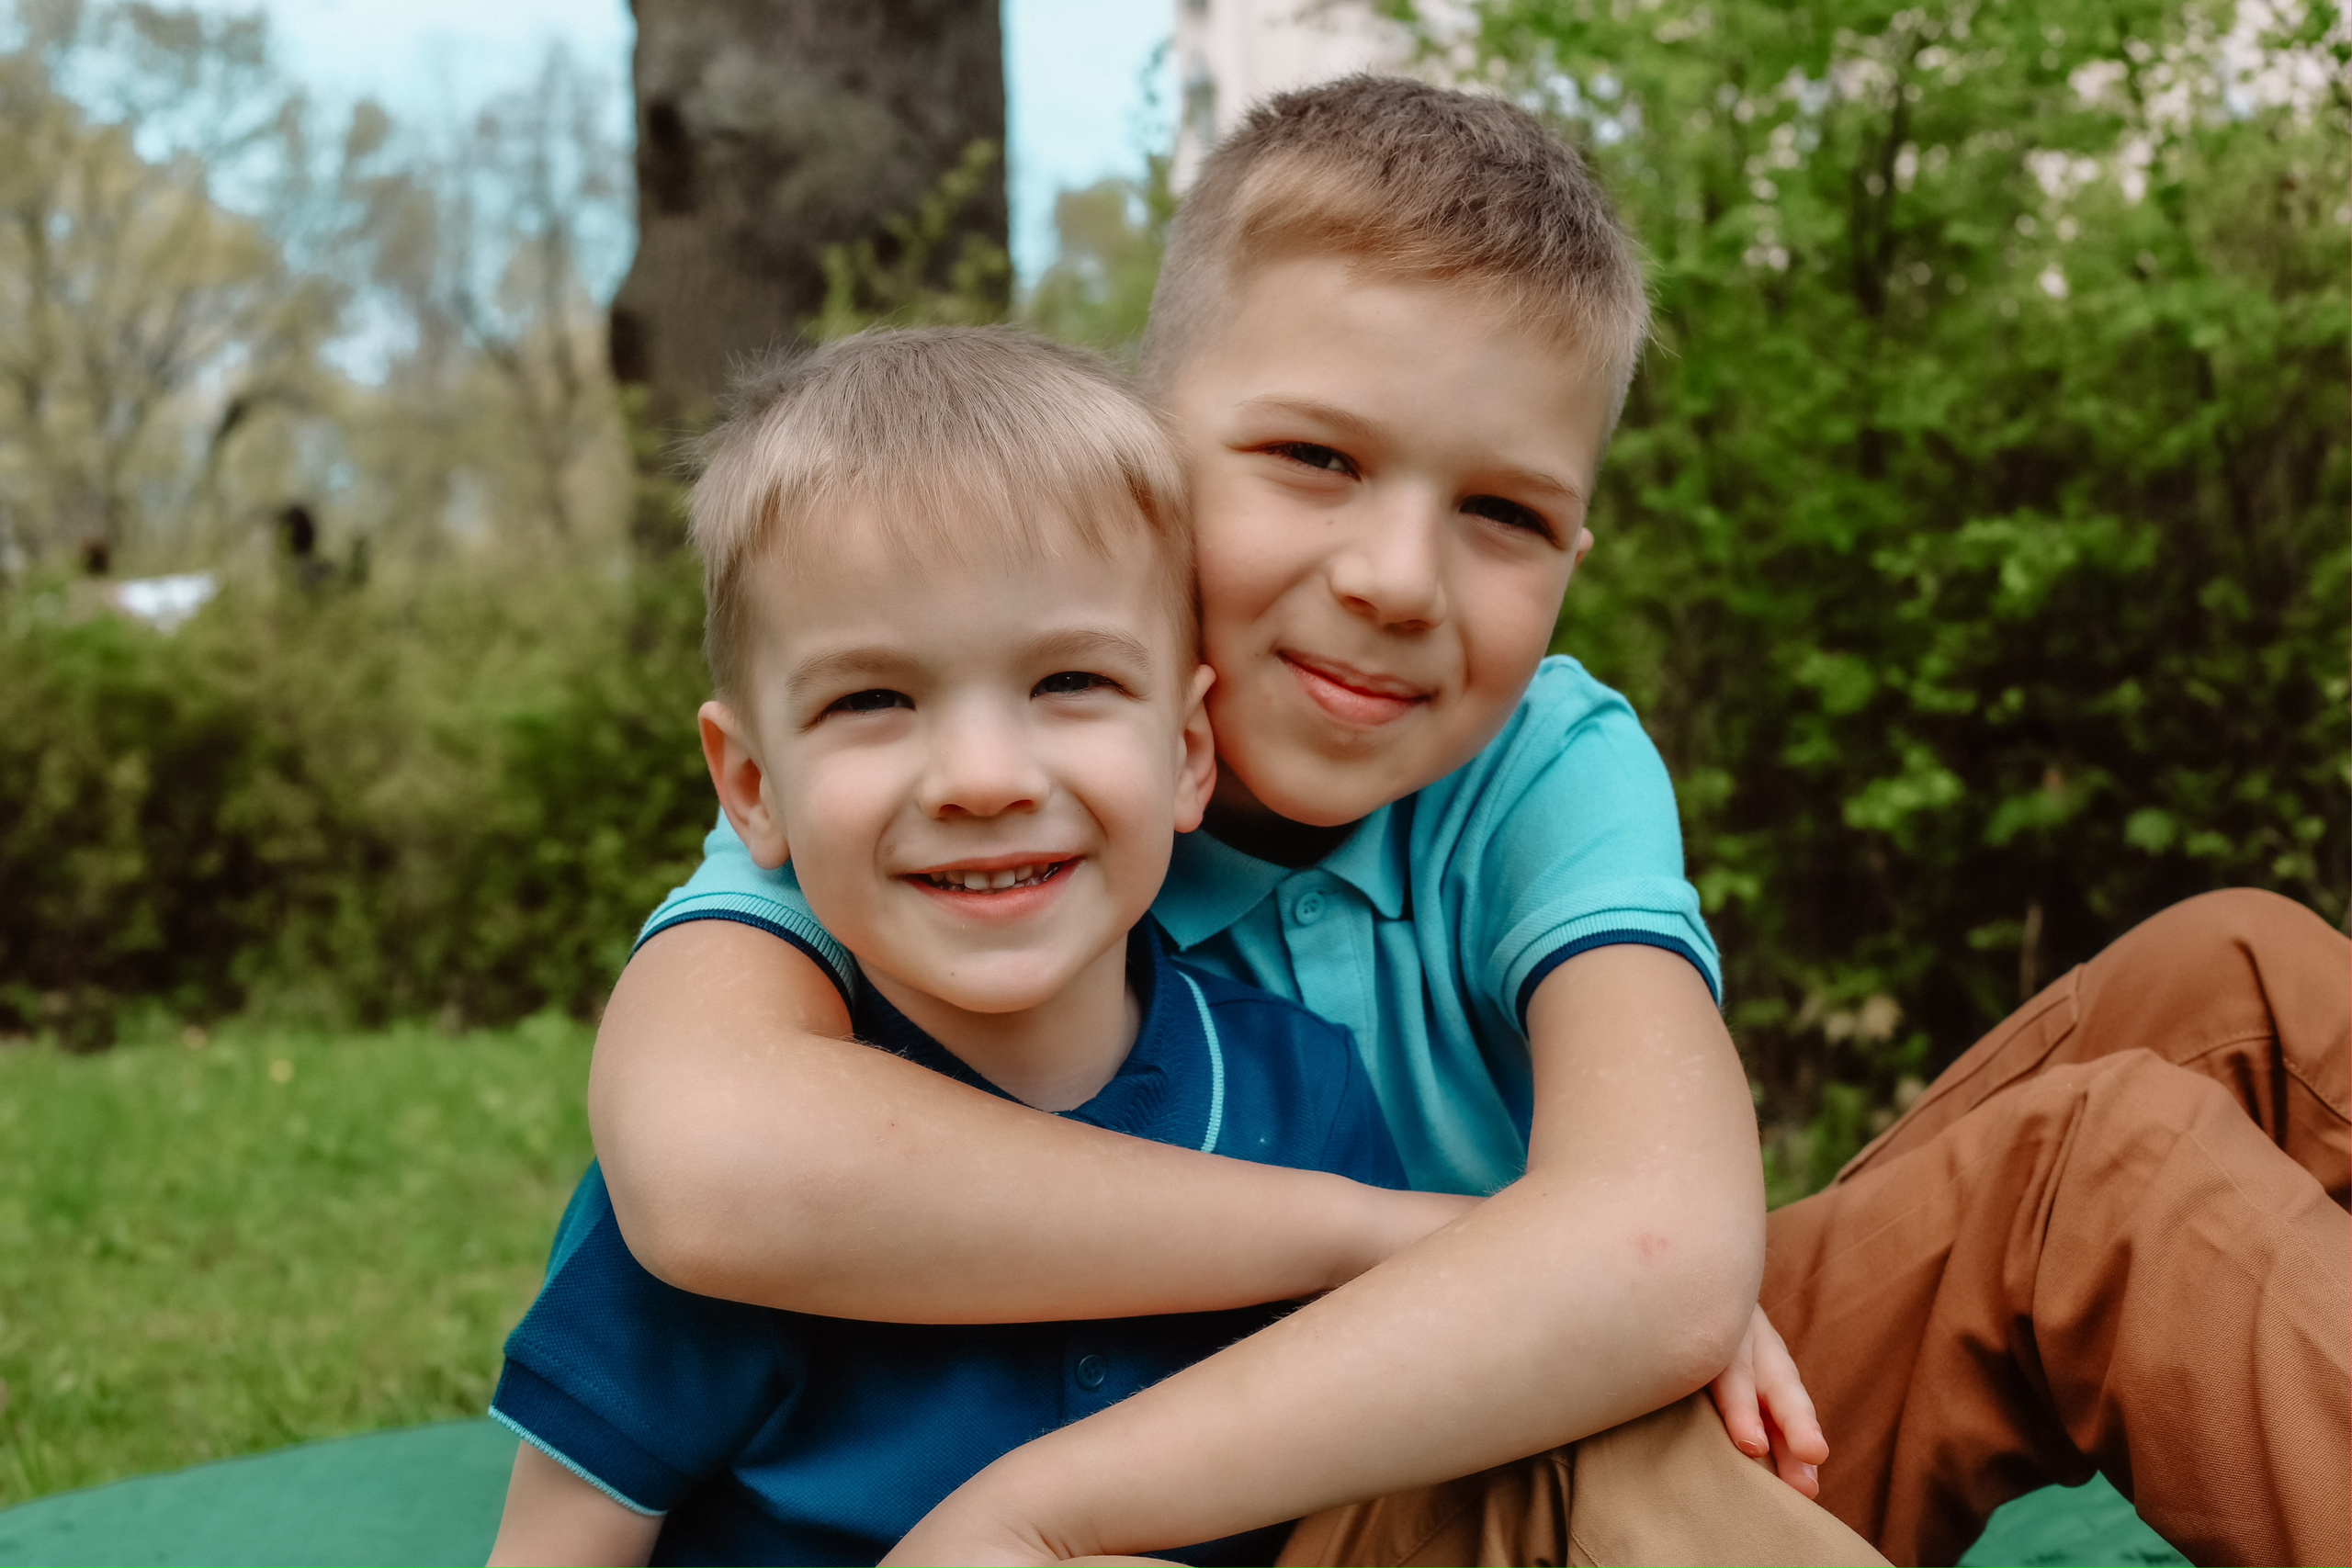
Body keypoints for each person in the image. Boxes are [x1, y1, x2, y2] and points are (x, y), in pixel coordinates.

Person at [590, 79, 2349, 1567]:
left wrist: (1043, 1503)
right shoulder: (974, 763)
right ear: (1139, 441)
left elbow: (1659, 1268)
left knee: (2242, 978)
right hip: (1290, 1505)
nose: (1394, 581)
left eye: (1503, 513)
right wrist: (1075, 1484)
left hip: (1601, 1426)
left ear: (1576, 550)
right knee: (2094, 1175)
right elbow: (706, 1167)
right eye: (1312, 461)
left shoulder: (1540, 761)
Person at [482, 327, 1439, 1564]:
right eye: (873, 700)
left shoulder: (1301, 1098)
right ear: (753, 784)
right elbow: (558, 1546)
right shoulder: (755, 1177)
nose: (983, 778)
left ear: (1188, 751)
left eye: (1071, 683)